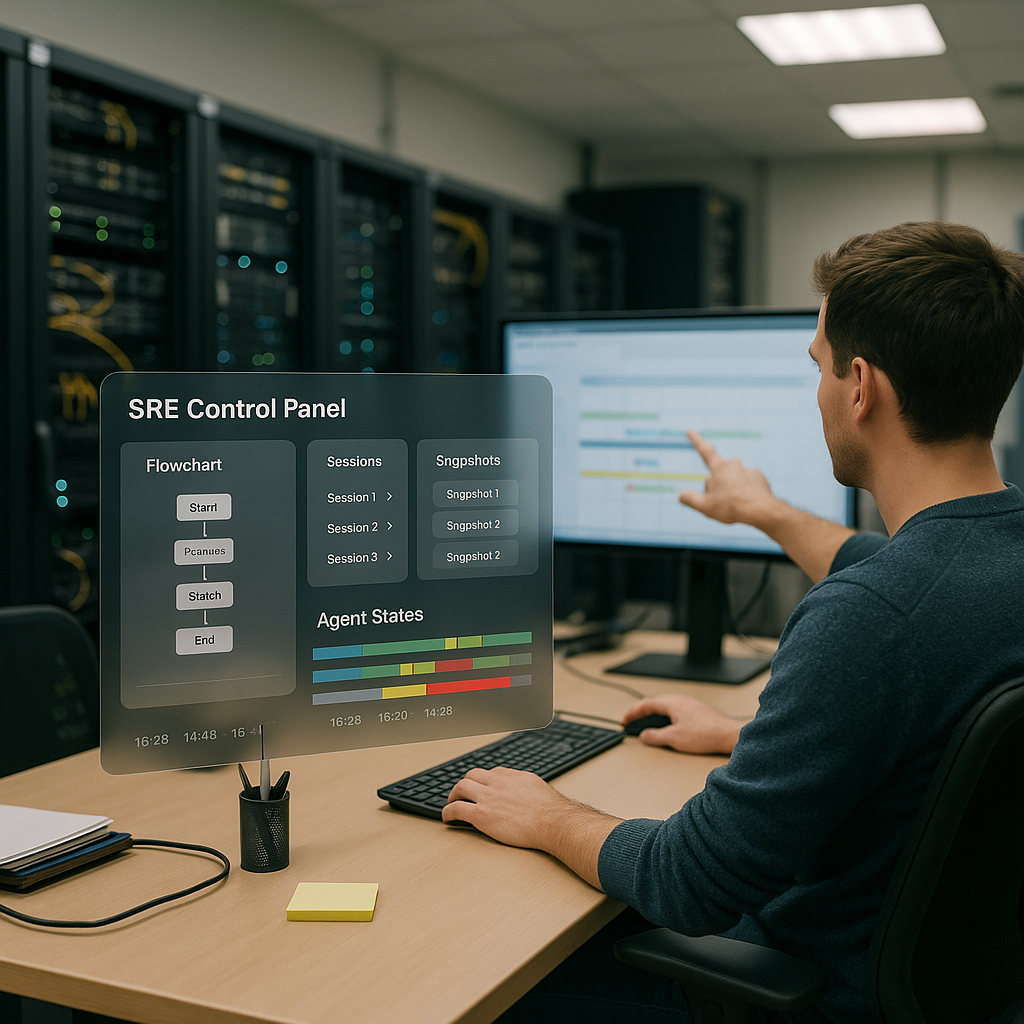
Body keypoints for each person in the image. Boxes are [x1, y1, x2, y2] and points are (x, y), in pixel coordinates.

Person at [441, 221, 1024, 1023]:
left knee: (479, 976)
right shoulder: (991, 558)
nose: (816, 390)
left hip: (800, 992)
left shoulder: (866, 622)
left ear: (861, 387)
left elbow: (691, 882)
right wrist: (765, 518)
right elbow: (901, 580)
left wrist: (547, 815)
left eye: (817, 367)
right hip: (963, 995)